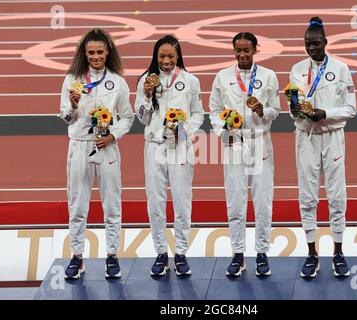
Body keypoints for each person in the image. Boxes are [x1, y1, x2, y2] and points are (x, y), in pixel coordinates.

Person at [60, 28, 135, 279]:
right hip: (80, 144)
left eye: (100, 52)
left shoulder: (118, 81)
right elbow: (65, 117)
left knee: (112, 203)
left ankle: (112, 256)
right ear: (84, 53)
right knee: (78, 204)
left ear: (107, 52)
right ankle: (77, 257)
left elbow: (127, 117)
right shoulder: (73, 79)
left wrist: (113, 135)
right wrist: (71, 105)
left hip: (107, 147)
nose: (95, 56)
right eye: (91, 52)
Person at [288, 17, 357, 278]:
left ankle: (338, 252)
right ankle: (312, 253)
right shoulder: (296, 69)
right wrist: (296, 110)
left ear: (325, 42)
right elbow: (293, 106)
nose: (311, 48)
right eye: (307, 44)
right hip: (305, 137)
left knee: (337, 195)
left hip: (332, 137)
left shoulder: (341, 69)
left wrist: (325, 113)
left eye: (316, 43)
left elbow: (351, 109)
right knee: (307, 196)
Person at [209, 32, 281, 277]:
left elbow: (276, 110)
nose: (242, 54)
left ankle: (262, 253)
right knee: (236, 201)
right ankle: (238, 254)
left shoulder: (269, 76)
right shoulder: (222, 77)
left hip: (259, 142)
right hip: (233, 144)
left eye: (246, 50)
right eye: (238, 50)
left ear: (255, 50)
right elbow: (214, 111)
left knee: (262, 201)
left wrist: (263, 110)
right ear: (233, 51)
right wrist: (222, 132)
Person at [135, 35, 204, 276]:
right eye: (162, 56)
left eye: (171, 56)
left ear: (178, 57)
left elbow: (198, 114)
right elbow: (141, 117)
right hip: (154, 146)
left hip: (180, 146)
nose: (166, 60)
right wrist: (146, 94)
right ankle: (161, 254)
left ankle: (181, 253)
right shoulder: (146, 80)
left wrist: (184, 130)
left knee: (182, 200)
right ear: (155, 56)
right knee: (155, 201)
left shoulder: (190, 81)